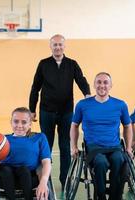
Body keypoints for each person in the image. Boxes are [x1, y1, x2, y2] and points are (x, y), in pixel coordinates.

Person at [29, 34, 91, 191]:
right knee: (46, 147)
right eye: (55, 45)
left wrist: (88, 95)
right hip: (46, 111)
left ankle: (66, 180)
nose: (57, 47)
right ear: (50, 47)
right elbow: (35, 87)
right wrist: (31, 110)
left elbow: (81, 80)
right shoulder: (43, 64)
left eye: (60, 45)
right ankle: (45, 180)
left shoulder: (72, 64)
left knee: (65, 146)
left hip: (66, 112)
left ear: (64, 46)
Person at [70, 72, 133, 200]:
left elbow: (128, 126)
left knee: (118, 160)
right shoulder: (83, 104)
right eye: (99, 82)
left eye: (105, 82)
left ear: (111, 85)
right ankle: (101, 196)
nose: (102, 85)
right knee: (100, 162)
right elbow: (74, 125)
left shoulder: (120, 105)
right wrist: (73, 146)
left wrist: (129, 147)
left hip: (114, 146)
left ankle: (115, 195)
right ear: (94, 84)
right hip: (94, 147)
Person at [0, 107, 51, 200]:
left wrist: (43, 182)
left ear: (30, 124)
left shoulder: (39, 138)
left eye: (24, 122)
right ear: (11, 122)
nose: (19, 125)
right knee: (5, 169)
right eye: (16, 121)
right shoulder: (2, 140)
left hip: (29, 177)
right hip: (5, 177)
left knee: (23, 170)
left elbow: (46, 162)